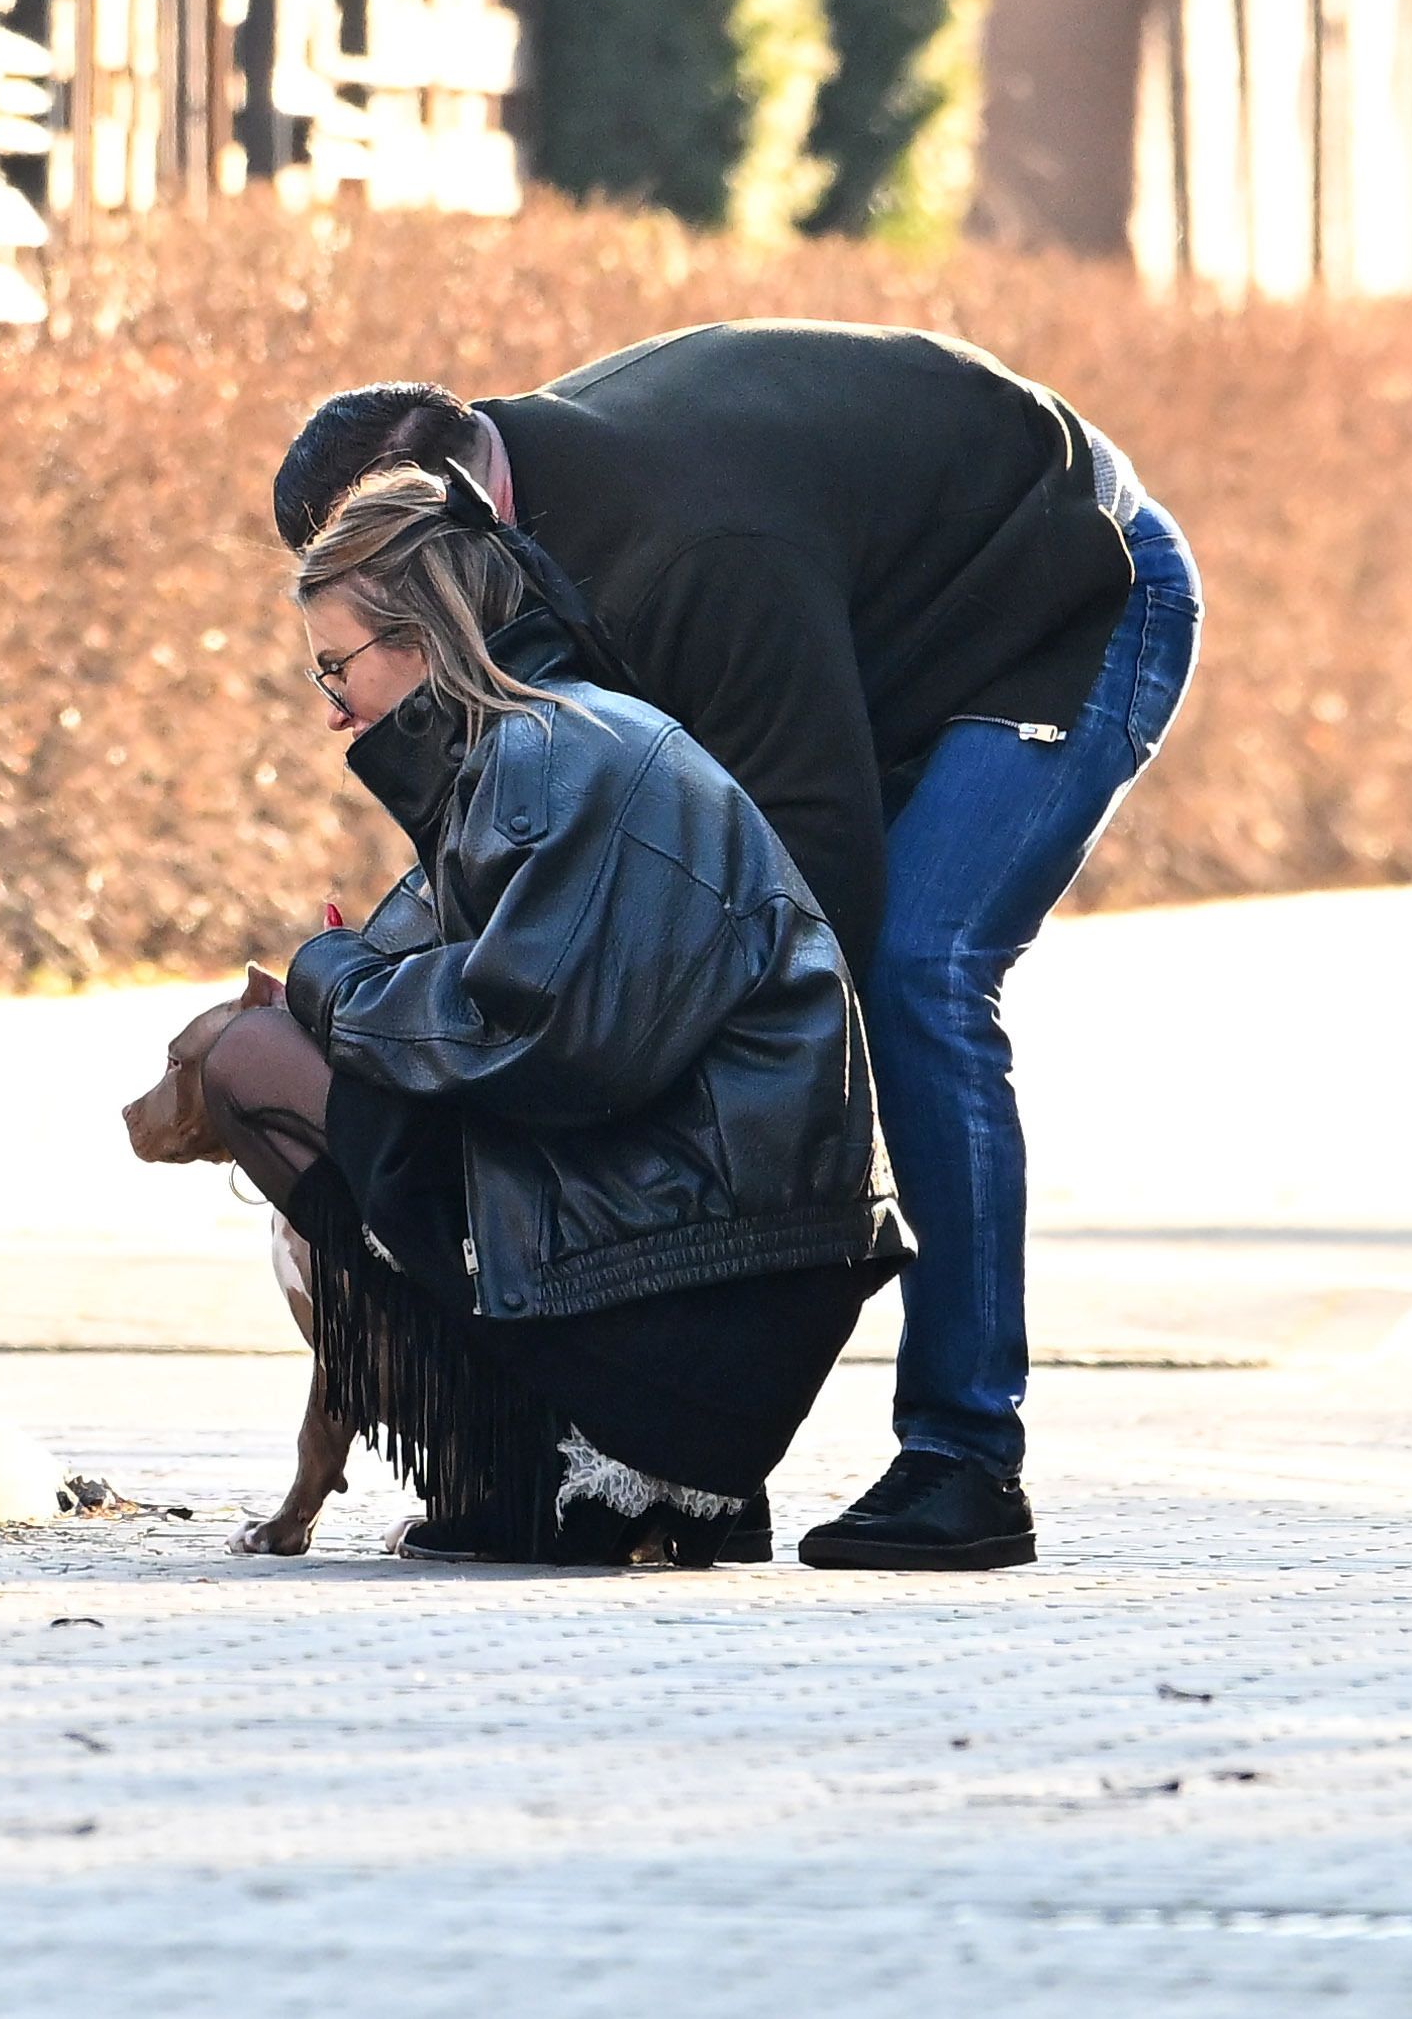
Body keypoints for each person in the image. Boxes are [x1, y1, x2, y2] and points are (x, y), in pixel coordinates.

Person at [270, 322, 1204, 1570]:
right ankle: (686, 1479)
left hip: (1069, 597)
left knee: (912, 976)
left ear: (453, 510)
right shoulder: (517, 530)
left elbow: (806, 860)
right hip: (867, 610)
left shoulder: (687, 555)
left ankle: (965, 1457)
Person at [189, 462, 908, 1565]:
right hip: (721, 1268)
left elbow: (519, 1034)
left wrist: (327, 982)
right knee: (294, 1056)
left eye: (334, 666)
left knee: (247, 1062)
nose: (332, 707)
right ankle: (570, 1478)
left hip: (700, 1299)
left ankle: (548, 1477)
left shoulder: (552, 755)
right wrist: (348, 981)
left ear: (418, 638)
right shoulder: (556, 743)